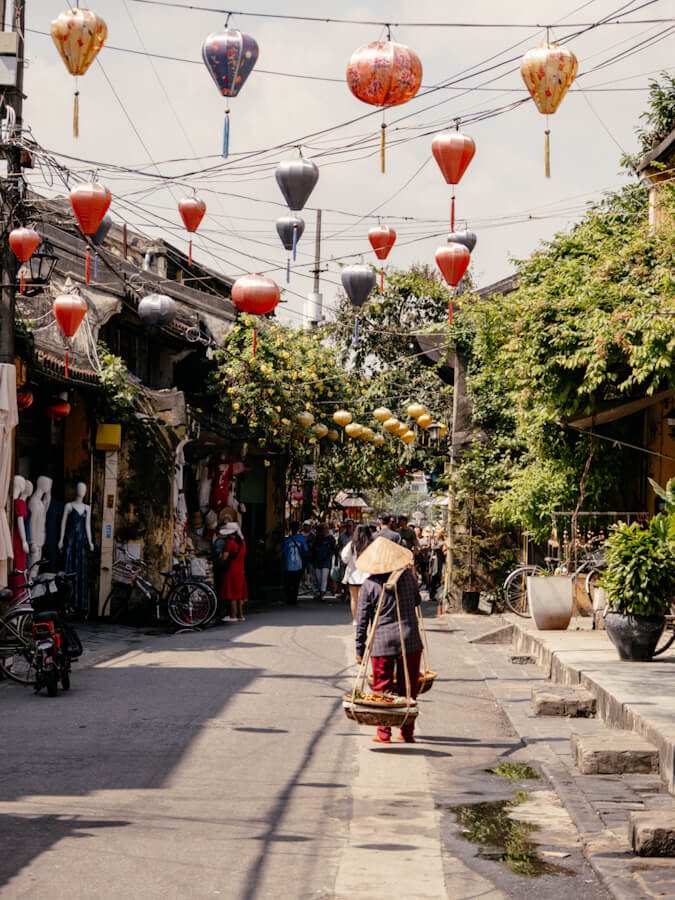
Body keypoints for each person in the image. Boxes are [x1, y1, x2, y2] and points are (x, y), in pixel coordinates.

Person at [355, 537, 423, 744]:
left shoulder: (369, 585)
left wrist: (359, 648)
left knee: (382, 689)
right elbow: (417, 601)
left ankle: (384, 733)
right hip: (410, 639)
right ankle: (407, 732)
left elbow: (362, 620)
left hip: (382, 642)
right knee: (408, 688)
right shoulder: (408, 578)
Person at [341, 524, 372, 626]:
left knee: (354, 598)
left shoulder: (351, 544)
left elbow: (344, 558)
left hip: (353, 575)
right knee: (366, 599)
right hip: (367, 575)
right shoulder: (371, 544)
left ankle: (355, 619)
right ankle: (365, 619)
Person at [216, 522, 247, 621]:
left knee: (233, 594)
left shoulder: (229, 543)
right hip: (241, 570)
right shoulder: (243, 543)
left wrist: (220, 555)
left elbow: (224, 558)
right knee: (239, 594)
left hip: (231, 571)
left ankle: (233, 616)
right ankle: (241, 615)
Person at [282, 522, 307, 606]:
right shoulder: (301, 539)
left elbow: (284, 553)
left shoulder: (287, 540)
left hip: (288, 564)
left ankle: (289, 599)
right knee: (296, 583)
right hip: (298, 564)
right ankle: (294, 599)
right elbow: (305, 550)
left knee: (288, 583)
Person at [312, 523, 335, 602]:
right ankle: (321, 592)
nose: (324, 530)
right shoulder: (317, 538)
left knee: (324, 578)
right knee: (319, 578)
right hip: (317, 560)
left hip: (326, 560)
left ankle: (322, 595)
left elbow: (333, 548)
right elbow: (313, 549)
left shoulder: (331, 538)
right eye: (322, 529)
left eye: (325, 528)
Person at [301, 520, 316, 590]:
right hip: (302, 555)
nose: (308, 527)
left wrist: (312, 545)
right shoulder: (300, 535)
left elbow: (315, 545)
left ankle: (308, 582)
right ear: (304, 526)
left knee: (309, 570)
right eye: (306, 526)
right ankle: (303, 582)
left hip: (310, 556)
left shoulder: (312, 535)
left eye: (309, 526)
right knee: (302, 570)